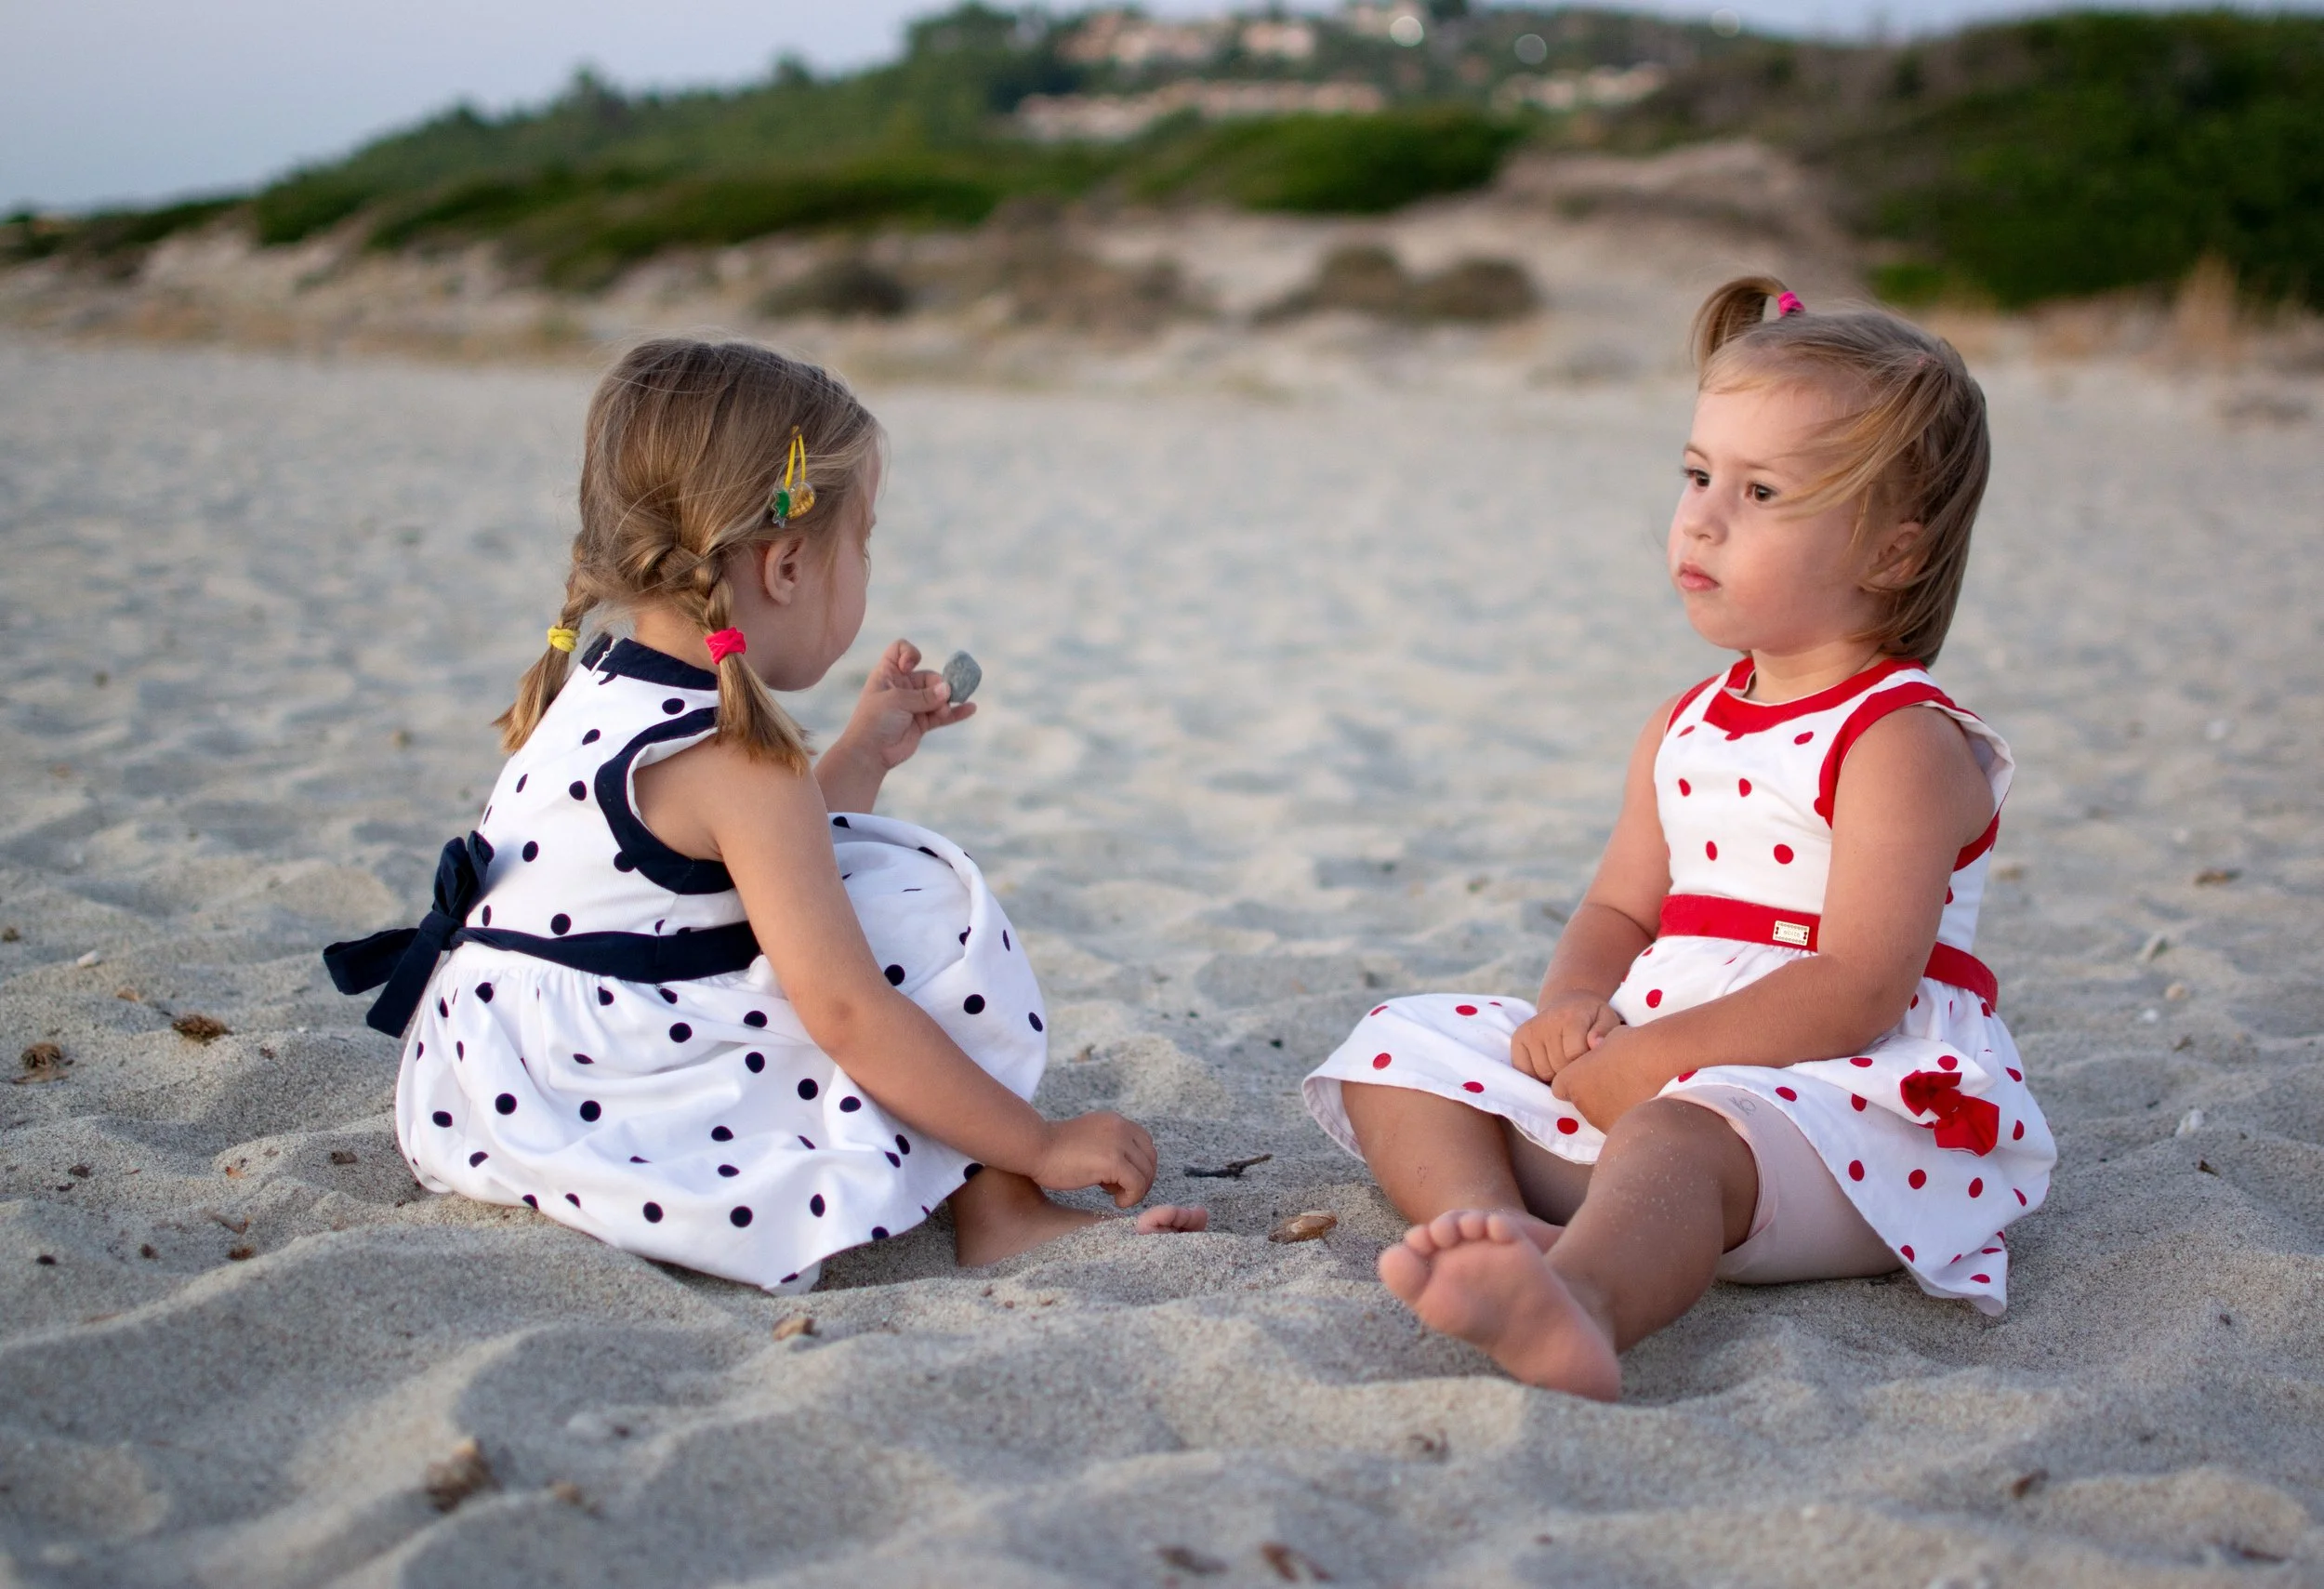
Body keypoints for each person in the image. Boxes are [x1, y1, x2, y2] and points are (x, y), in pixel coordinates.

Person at [1301, 279, 2053, 1398]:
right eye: (1697, 474)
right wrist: (1568, 1007)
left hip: (1833, 1109)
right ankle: (1506, 1237)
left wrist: (1654, 1063)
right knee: (1398, 1045)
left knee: (1678, 1134)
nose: (1701, 517)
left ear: (1892, 555)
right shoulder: (1684, 721)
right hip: (1643, 1061)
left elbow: (1856, 984)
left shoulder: (1896, 739)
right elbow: (1620, 909)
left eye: (1761, 492)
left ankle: (1589, 1304)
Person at [326, 338, 1204, 1292]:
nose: (863, 566)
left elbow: (733, 879)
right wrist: (1038, 1139)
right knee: (916, 899)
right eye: (860, 542)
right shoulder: (740, 759)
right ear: (787, 563)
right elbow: (843, 1007)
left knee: (851, 885)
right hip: (616, 1101)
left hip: (481, 1085)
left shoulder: (596, 683)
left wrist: (860, 753)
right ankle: (1001, 1202)